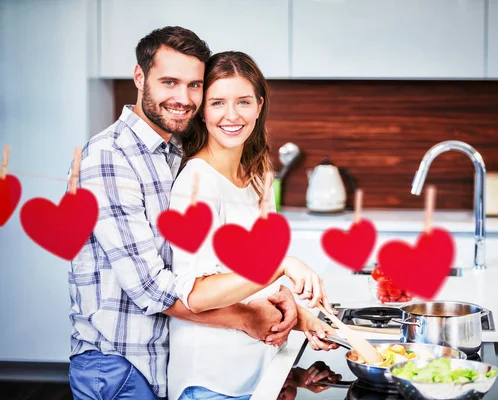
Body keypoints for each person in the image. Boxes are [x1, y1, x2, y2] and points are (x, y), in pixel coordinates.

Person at [68, 27, 314, 400]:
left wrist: (284, 309)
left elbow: (203, 265)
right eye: (169, 82)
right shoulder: (109, 157)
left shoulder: (174, 148)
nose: (182, 98)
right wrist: (250, 314)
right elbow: (150, 288)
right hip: (118, 360)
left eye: (194, 85)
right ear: (140, 77)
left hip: (161, 356)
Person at [167, 51, 338, 400]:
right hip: (211, 383)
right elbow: (194, 296)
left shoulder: (259, 174)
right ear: (202, 110)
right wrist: (279, 266)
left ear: (259, 106)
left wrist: (305, 320)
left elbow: (250, 283)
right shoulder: (197, 182)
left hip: (259, 372)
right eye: (217, 103)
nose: (232, 116)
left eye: (243, 101)